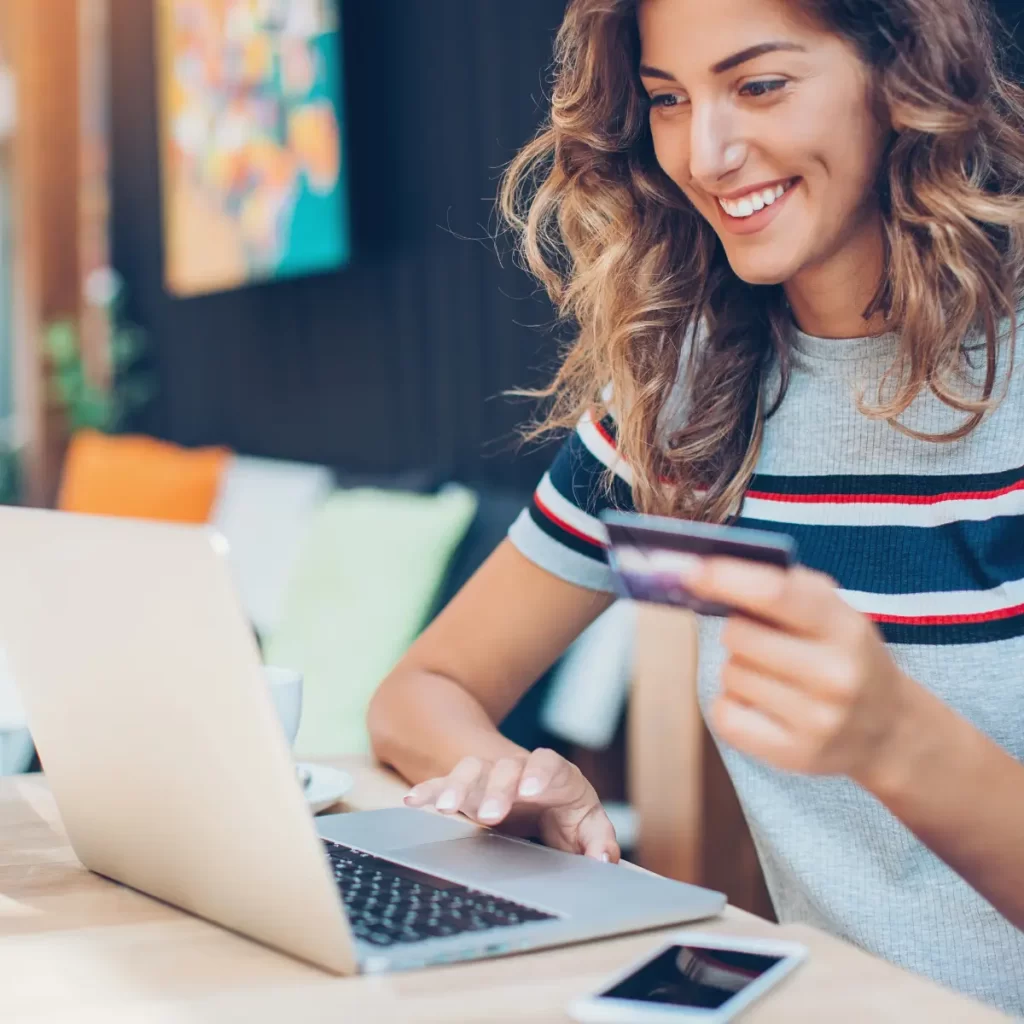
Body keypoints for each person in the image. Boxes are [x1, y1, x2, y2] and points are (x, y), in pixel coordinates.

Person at [368, 0, 1024, 1013]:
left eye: (758, 85)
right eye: (667, 101)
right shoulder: (682, 406)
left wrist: (898, 741)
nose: (705, 153)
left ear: (905, 75)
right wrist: (510, 778)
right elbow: (423, 689)